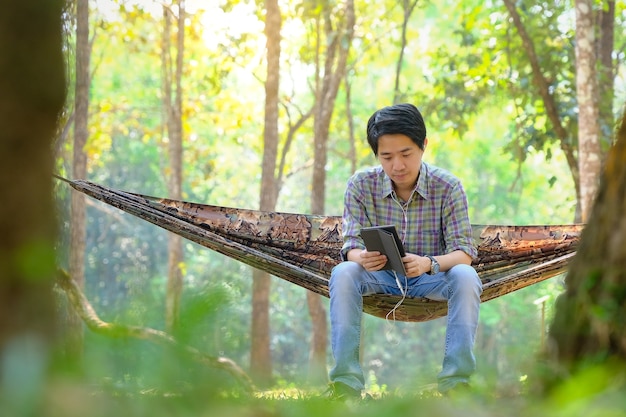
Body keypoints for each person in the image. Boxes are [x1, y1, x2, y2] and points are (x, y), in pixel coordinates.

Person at [327, 103, 482, 400]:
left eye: (406, 154)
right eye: (387, 156)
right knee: (344, 272)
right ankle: (345, 383)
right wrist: (362, 257)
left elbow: (464, 252)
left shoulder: (448, 187)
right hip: (380, 277)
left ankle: (456, 382)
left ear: (424, 145)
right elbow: (350, 246)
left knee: (465, 275)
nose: (397, 165)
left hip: (430, 278)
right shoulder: (361, 185)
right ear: (377, 155)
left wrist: (428, 263)